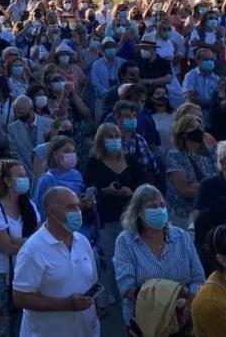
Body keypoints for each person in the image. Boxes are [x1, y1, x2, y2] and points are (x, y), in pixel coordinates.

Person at [12, 185, 100, 336]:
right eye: (71, 207)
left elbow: (91, 283)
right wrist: (65, 305)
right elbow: (20, 298)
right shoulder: (32, 250)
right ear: (52, 211)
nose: (78, 212)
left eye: (78, 206)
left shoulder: (82, 241)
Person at [112, 184, 204, 325]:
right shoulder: (126, 241)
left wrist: (188, 307)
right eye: (152, 206)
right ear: (138, 212)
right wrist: (172, 296)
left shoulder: (182, 237)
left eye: (162, 205)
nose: (159, 210)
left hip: (184, 317)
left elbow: (198, 279)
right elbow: (126, 287)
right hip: (145, 320)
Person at [83, 122, 144, 310]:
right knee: (108, 259)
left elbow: (144, 186)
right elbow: (87, 191)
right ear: (101, 141)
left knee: (135, 257)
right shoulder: (93, 163)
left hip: (131, 217)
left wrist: (130, 191)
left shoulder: (132, 159)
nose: (114, 141)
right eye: (109, 137)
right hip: (106, 219)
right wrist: (104, 191)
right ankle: (105, 297)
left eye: (117, 136)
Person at [0, 158, 39, 337]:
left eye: (25, 176)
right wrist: (25, 243)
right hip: (0, 270)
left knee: (22, 315)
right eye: (20, 176)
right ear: (7, 181)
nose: (24, 179)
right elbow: (5, 247)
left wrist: (16, 240)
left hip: (23, 268)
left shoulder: (29, 206)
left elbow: (39, 238)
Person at [166, 114, 218, 228]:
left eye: (200, 127)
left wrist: (198, 185)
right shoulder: (175, 155)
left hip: (210, 212)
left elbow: (220, 182)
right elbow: (185, 190)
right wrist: (210, 187)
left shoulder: (212, 152)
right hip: (184, 215)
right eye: (193, 127)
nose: (198, 130)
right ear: (183, 133)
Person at [6, 96, 53, 176]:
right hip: (27, 174)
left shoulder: (50, 124)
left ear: (31, 109)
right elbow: (16, 155)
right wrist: (29, 174)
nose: (17, 115)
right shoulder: (12, 129)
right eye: (15, 112)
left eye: (21, 113)